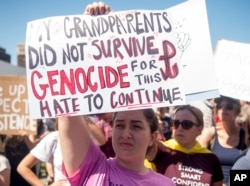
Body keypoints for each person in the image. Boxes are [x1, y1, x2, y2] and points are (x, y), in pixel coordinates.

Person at [145, 105, 224, 186]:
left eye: (186, 124)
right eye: (175, 123)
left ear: (199, 130)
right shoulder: (161, 150)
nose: (179, 128)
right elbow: (143, 141)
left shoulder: (211, 159)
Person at [17, 117, 106, 186]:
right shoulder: (54, 138)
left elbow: (102, 140)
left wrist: (81, 115)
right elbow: (23, 167)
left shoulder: (87, 137)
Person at [198, 95, 248, 185]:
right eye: (219, 106)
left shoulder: (245, 135)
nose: (223, 110)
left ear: (237, 110)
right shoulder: (210, 133)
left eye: (229, 106)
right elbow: (198, 165)